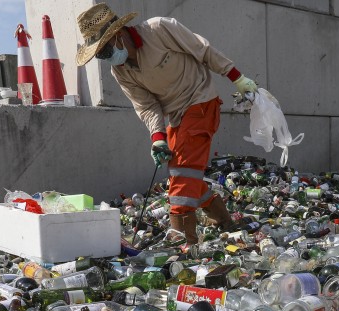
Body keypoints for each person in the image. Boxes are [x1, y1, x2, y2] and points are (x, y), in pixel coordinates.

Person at [75, 4, 258, 245]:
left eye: (105, 51)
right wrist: (158, 138)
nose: (106, 58)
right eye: (100, 55)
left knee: (183, 174)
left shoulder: (159, 29)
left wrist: (237, 78)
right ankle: (224, 221)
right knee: (180, 176)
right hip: (176, 115)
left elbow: (203, 50)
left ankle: (184, 244)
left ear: (117, 35)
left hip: (200, 100)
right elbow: (147, 106)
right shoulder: (120, 72)